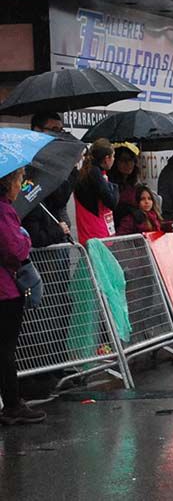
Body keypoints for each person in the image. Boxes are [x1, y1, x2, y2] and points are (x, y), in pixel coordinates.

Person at [0, 167, 46, 424]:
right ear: (7, 183)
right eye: (18, 180)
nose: (21, 185)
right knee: (6, 350)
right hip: (5, 291)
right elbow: (15, 249)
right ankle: (12, 404)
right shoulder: (4, 211)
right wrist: (25, 238)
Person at [22, 112, 76, 247]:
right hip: (40, 237)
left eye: (61, 130)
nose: (59, 135)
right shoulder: (28, 161)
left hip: (59, 233)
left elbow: (61, 199)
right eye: (54, 130)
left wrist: (72, 168)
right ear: (37, 130)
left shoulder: (56, 157)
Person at [75, 139, 119, 244]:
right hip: (96, 232)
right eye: (113, 156)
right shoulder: (94, 173)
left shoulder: (89, 171)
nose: (114, 160)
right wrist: (115, 187)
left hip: (93, 230)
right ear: (107, 158)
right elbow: (111, 201)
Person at [108, 144, 141, 229]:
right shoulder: (110, 183)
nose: (128, 164)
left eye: (130, 160)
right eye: (123, 160)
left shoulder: (135, 183)